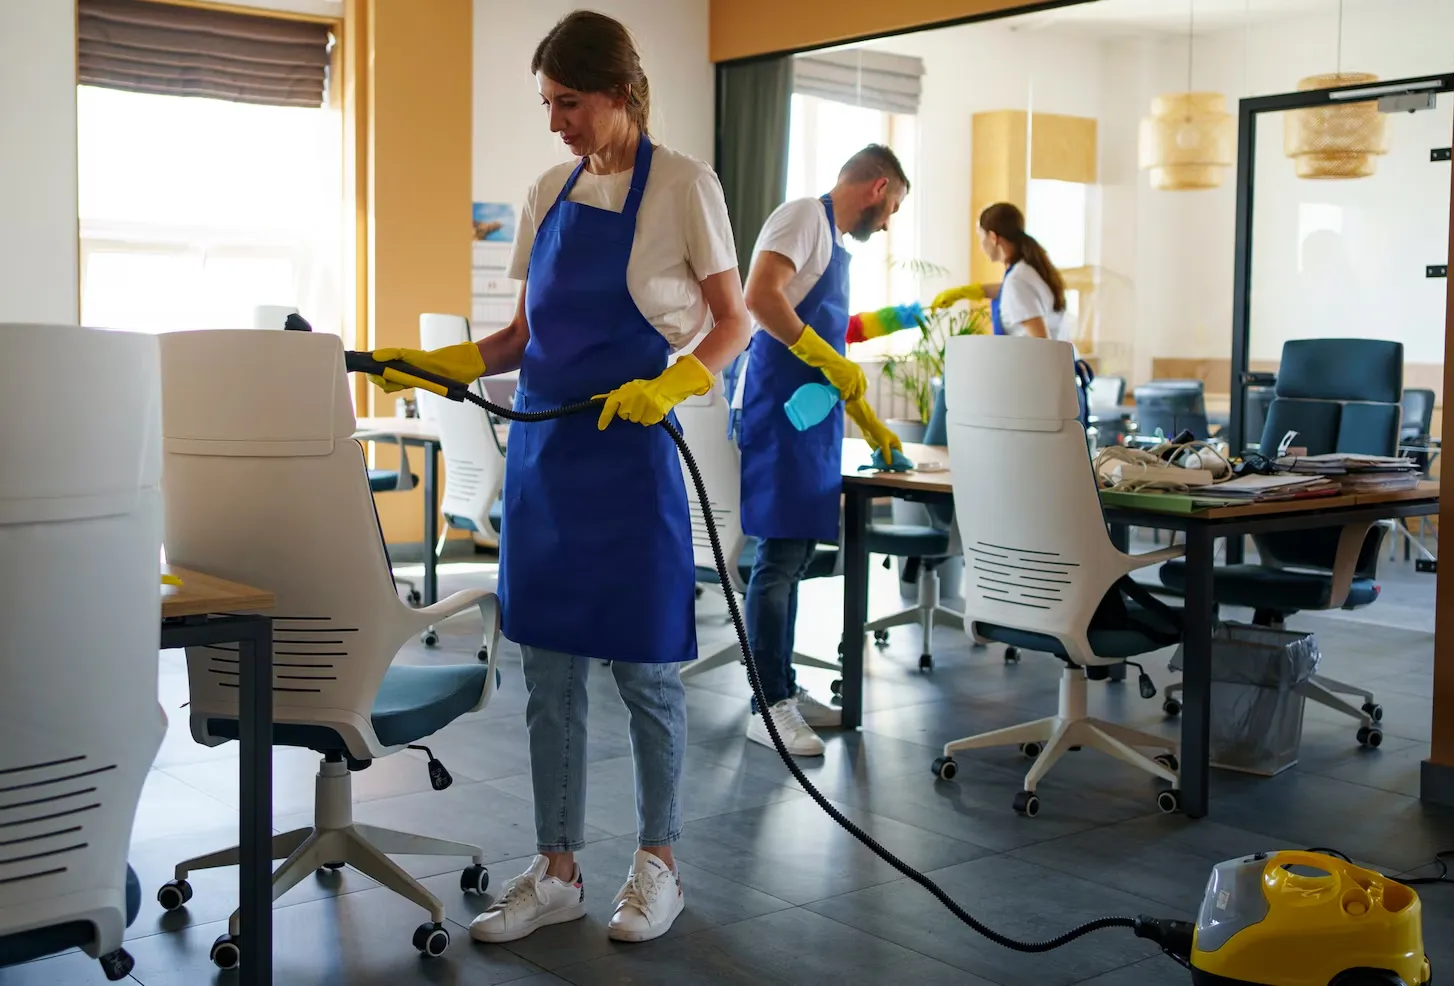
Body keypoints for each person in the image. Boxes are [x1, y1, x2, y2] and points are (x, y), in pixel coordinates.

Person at [367, 10, 749, 946]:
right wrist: (436, 362)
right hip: (546, 464)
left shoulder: (687, 187)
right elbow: (519, 338)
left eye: (567, 103)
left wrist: (671, 387)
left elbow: (734, 323)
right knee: (548, 677)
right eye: (547, 104)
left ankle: (659, 866)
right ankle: (559, 869)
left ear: (619, 92)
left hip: (633, 460)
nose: (555, 123)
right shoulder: (546, 189)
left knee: (648, 674)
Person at [735, 145, 908, 756]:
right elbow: (760, 297)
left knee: (796, 555)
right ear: (877, 186)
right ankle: (768, 705)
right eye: (892, 209)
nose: (887, 223)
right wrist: (826, 357)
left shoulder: (831, 241)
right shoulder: (803, 217)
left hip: (809, 420)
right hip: (780, 413)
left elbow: (832, 337)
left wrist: (872, 421)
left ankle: (780, 689)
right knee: (778, 559)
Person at [932, 202, 1093, 427]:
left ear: (994, 237)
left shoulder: (1018, 280)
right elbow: (1010, 292)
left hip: (1045, 393)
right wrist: (969, 291)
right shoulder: (1028, 271)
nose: (981, 245)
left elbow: (1041, 343)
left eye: (981, 237)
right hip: (1063, 384)